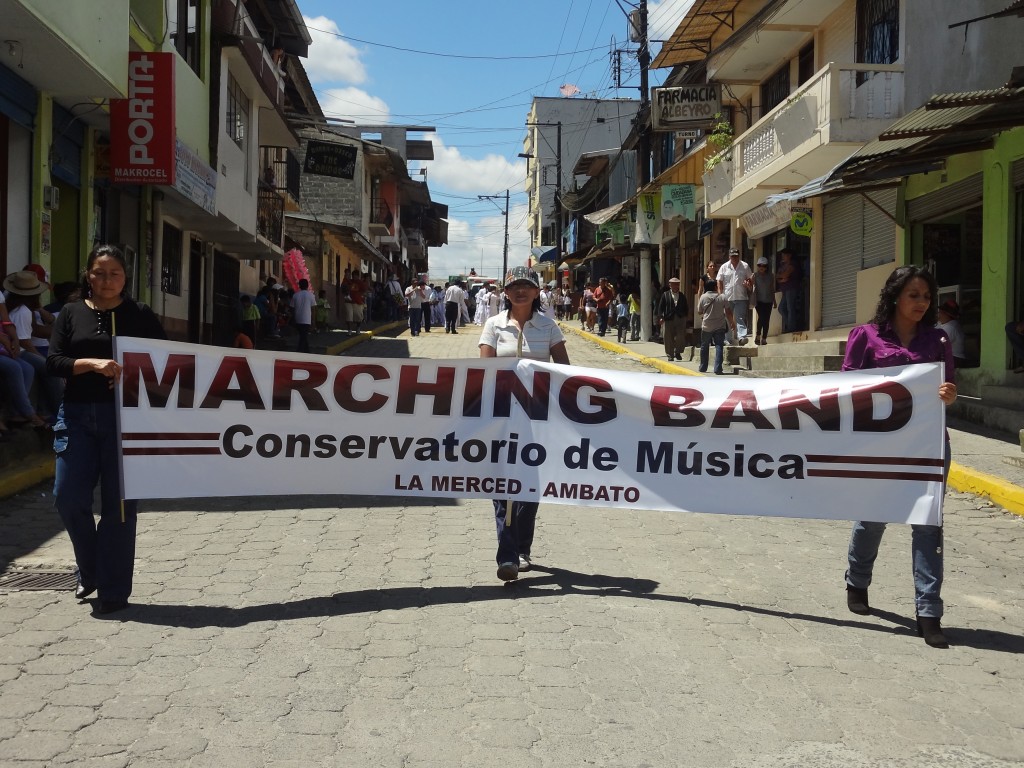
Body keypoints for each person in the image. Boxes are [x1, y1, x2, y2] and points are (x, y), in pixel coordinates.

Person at [47, 244, 167, 615]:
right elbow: (54, 361)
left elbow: (163, 363)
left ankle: (113, 590)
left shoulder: (140, 314)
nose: (106, 280)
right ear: (88, 275)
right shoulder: (69, 314)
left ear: (125, 277)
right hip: (78, 416)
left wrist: (132, 377)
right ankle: (91, 568)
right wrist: (92, 364)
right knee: (68, 497)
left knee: (118, 506)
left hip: (124, 420)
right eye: (99, 272)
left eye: (114, 273)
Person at [842, 265, 957, 648]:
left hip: (927, 445)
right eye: (914, 295)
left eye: (926, 296)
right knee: (873, 516)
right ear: (894, 297)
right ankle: (857, 582)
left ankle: (929, 612)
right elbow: (843, 388)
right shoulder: (866, 336)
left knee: (928, 523)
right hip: (880, 446)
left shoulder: (938, 340)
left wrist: (948, 395)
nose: (922, 303)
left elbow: (949, 387)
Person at [479, 266, 570, 582]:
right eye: (513, 286)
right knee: (501, 484)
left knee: (530, 484)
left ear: (536, 292)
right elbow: (482, 371)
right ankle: (507, 554)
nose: (520, 291)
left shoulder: (548, 327)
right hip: (501, 416)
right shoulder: (493, 326)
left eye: (526, 286)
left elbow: (565, 373)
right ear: (505, 292)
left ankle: (521, 547)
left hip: (537, 418)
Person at [4, 271, 63, 419]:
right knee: (50, 369)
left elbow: (34, 329)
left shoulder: (15, 305)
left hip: (16, 348)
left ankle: (44, 410)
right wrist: (43, 359)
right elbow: (25, 342)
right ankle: (58, 412)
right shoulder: (23, 311)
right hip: (20, 351)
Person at [717, 248, 753, 345]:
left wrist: (748, 284)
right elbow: (719, 280)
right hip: (727, 297)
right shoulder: (724, 267)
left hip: (741, 296)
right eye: (733, 256)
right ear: (729, 256)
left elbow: (750, 279)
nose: (735, 258)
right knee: (727, 318)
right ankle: (727, 339)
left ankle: (742, 337)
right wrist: (721, 295)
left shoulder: (745, 266)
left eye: (736, 256)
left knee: (740, 317)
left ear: (739, 256)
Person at [697, 279, 730, 375]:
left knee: (704, 345)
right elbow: (728, 311)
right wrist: (732, 322)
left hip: (707, 326)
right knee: (719, 345)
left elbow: (699, 311)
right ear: (715, 287)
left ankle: (703, 367)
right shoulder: (722, 297)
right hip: (720, 326)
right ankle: (718, 368)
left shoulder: (703, 297)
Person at [657, 277, 689, 361]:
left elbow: (686, 307)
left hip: (680, 318)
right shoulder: (665, 295)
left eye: (677, 284)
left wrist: (686, 316)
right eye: (673, 284)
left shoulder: (682, 295)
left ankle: (678, 352)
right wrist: (660, 317)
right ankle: (670, 354)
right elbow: (660, 307)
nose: (675, 286)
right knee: (668, 337)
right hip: (668, 318)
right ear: (670, 285)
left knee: (680, 336)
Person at [776, 248, 801, 333]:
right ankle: (791, 326)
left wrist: (782, 276)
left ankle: (791, 328)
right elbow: (777, 277)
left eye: (784, 255)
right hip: (785, 290)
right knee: (781, 308)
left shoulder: (793, 264)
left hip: (792, 288)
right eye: (782, 255)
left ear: (789, 255)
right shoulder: (782, 265)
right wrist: (781, 278)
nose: (783, 257)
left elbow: (785, 274)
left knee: (790, 308)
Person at [752, 256, 776, 345]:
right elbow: (751, 288)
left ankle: (764, 338)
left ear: (766, 267)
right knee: (761, 317)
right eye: (759, 265)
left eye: (763, 266)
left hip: (768, 300)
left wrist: (774, 301)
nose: (761, 267)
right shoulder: (754, 275)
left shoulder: (771, 276)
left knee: (766, 319)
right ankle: (758, 334)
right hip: (758, 301)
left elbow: (771, 288)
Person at [936, 299, 966, 368]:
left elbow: (940, 343)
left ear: (947, 314)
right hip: (953, 358)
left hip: (956, 359)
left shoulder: (950, 327)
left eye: (941, 312)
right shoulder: (945, 324)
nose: (939, 314)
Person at [290, 279, 316, 352]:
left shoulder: (295, 295)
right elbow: (313, 309)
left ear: (299, 286)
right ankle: (300, 351)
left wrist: (293, 318)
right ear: (307, 286)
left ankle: (307, 351)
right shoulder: (311, 295)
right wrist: (313, 321)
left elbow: (292, 308)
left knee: (303, 336)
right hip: (307, 320)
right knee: (303, 336)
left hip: (298, 319)